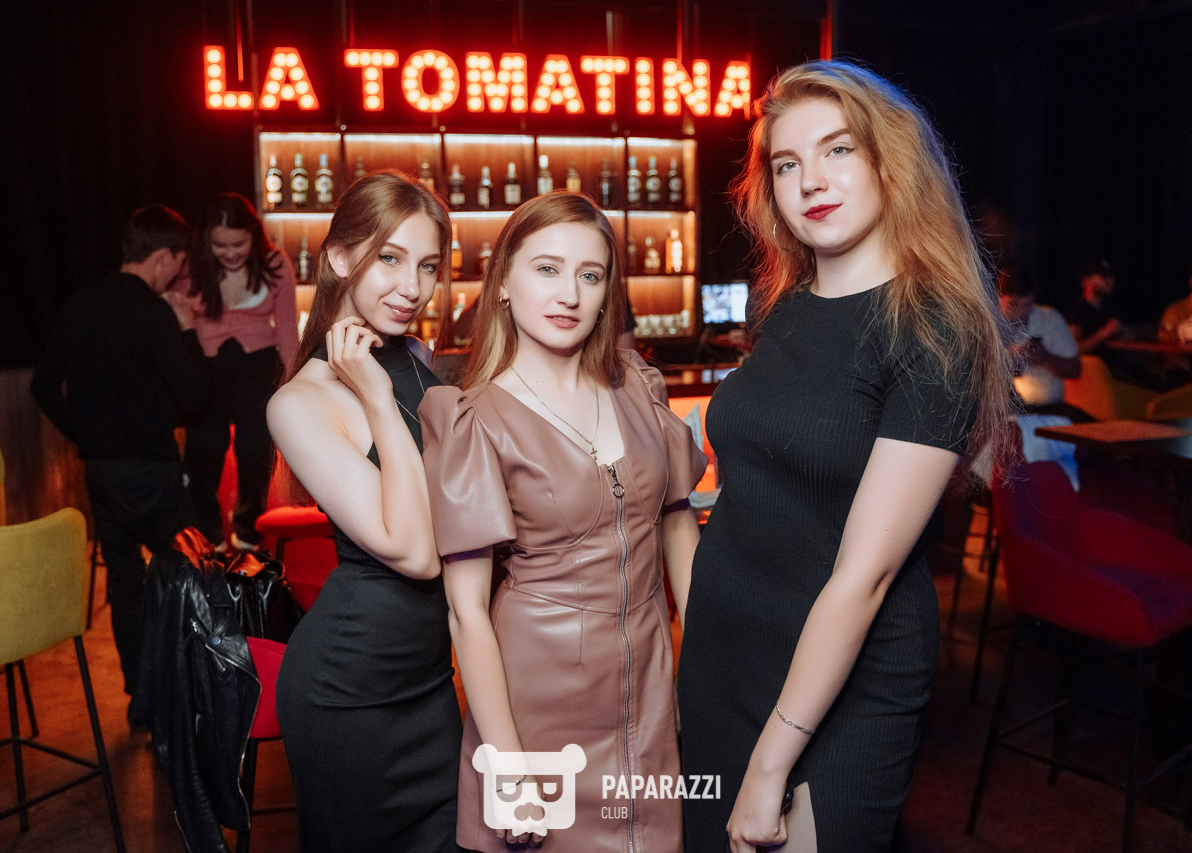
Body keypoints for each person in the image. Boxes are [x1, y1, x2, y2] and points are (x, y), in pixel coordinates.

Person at [676, 61, 1013, 852]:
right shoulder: (788, 306)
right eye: (787, 163)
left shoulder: (934, 327)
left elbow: (864, 575)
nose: (811, 181)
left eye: (837, 150)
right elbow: (761, 483)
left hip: (839, 690)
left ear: (890, 161)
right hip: (725, 658)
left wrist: (770, 765)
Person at [419, 192, 705, 852]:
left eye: (589, 274)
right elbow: (467, 611)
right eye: (547, 269)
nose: (569, 294)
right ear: (503, 282)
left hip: (649, 686)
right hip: (536, 703)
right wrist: (509, 767)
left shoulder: (639, 388)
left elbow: (678, 532)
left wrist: (707, 672)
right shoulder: (473, 419)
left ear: (607, 293)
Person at [266, 172, 461, 851]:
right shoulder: (300, 401)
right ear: (340, 257)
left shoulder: (414, 360)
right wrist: (376, 399)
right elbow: (414, 551)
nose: (412, 286)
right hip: (349, 694)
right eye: (390, 258)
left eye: (428, 265)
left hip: (430, 680)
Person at [31, 205, 207, 705]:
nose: (180, 274)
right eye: (180, 263)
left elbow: (42, 386)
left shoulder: (79, 304)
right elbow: (194, 398)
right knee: (189, 574)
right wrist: (187, 329)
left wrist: (86, 433)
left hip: (102, 471)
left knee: (125, 583)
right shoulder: (154, 311)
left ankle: (142, 700)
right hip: (152, 470)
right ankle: (190, 697)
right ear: (164, 257)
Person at [180, 193, 297, 551]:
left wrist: (296, 381)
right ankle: (208, 534)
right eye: (220, 245)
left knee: (254, 449)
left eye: (238, 244)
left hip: (258, 363)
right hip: (207, 365)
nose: (230, 253)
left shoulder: (275, 264)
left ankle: (248, 532)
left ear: (254, 236)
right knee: (205, 447)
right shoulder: (189, 267)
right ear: (206, 240)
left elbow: (287, 330)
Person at [997, 266, 1086, 418]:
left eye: (1027, 304)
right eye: (1013, 304)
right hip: (1003, 413)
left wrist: (1046, 359)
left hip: (1048, 409)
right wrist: (1009, 364)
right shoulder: (989, 324)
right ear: (999, 298)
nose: (1022, 311)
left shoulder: (1049, 318)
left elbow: (1075, 370)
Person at [1063, 258, 1121, 354]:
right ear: (1087, 280)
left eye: (1111, 277)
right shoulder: (1076, 311)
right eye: (1103, 277)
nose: (1110, 281)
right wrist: (1104, 333)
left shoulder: (1108, 310)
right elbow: (1073, 349)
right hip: (1092, 362)